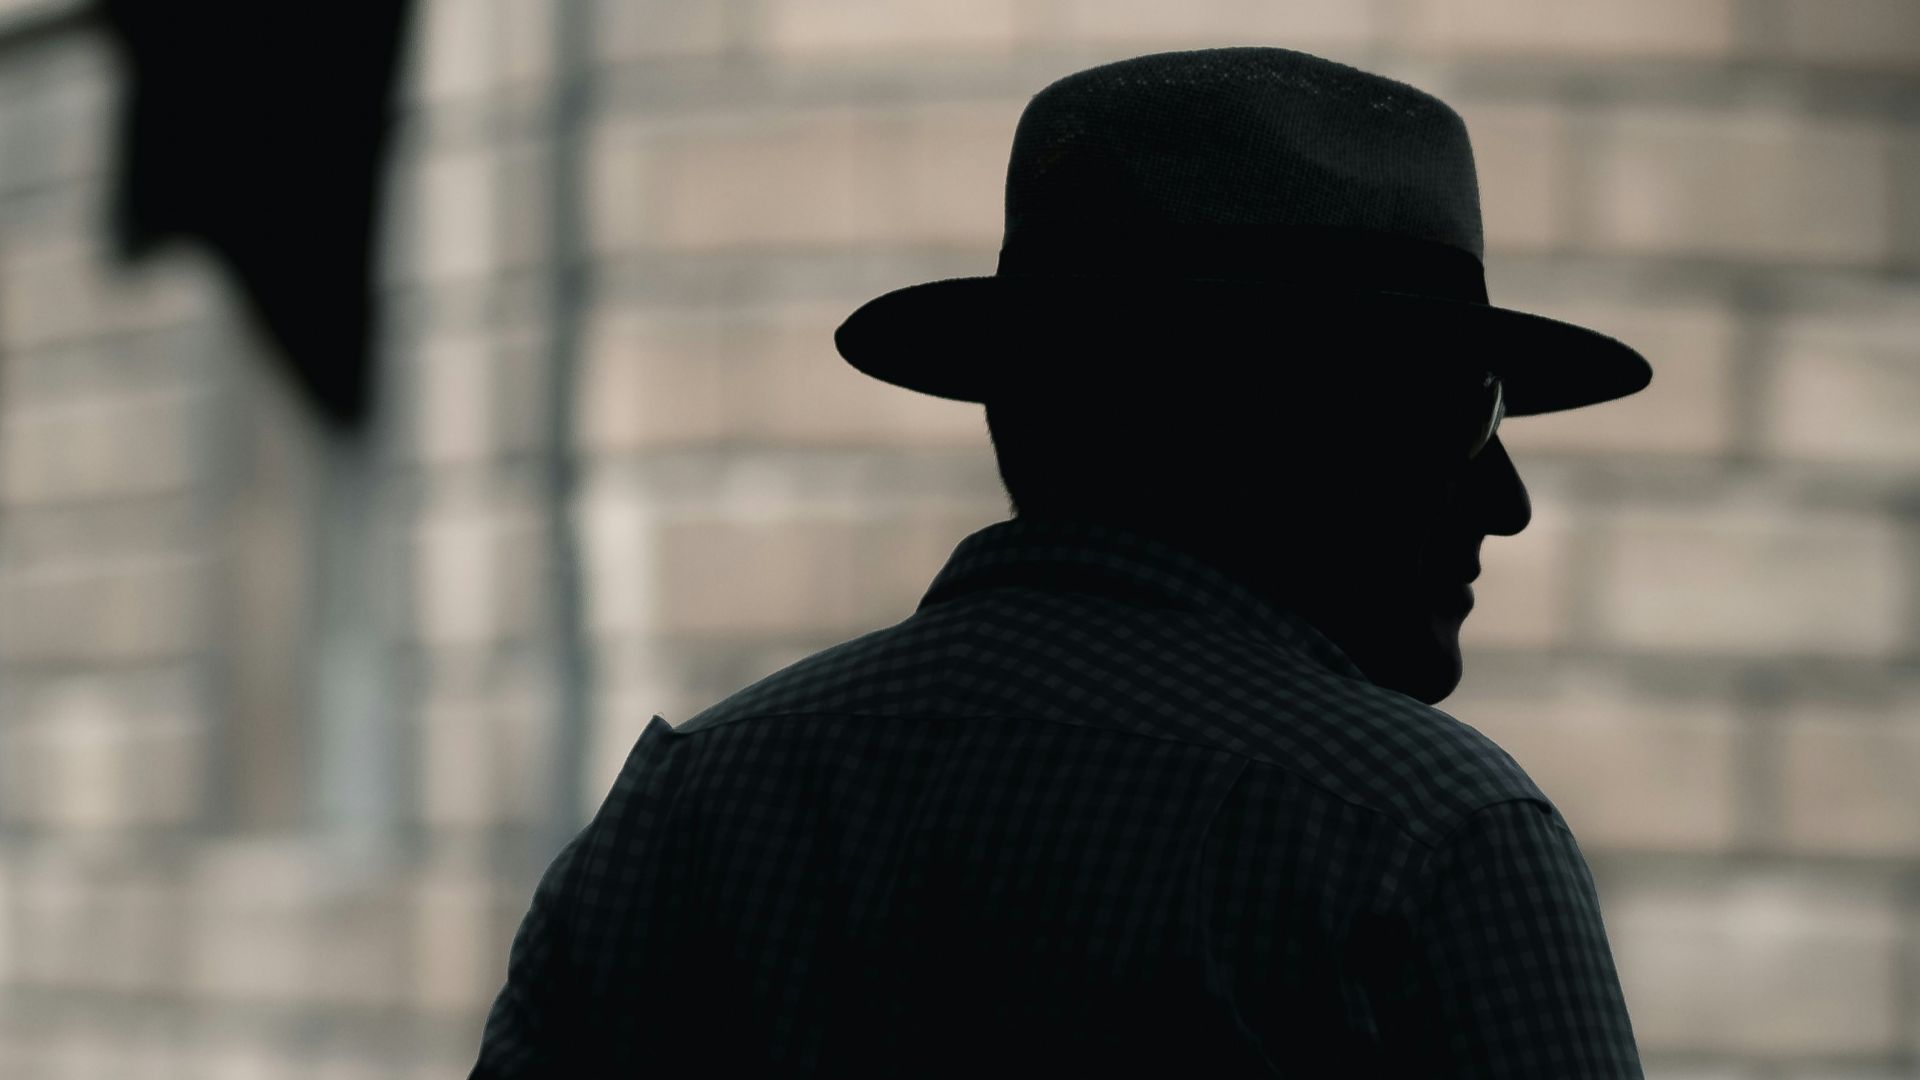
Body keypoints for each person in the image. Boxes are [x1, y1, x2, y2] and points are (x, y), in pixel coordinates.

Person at [470, 46, 1650, 1078]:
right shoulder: (1425, 843)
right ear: (1293, 425)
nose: (1507, 504)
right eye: (1469, 419)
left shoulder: (683, 821)